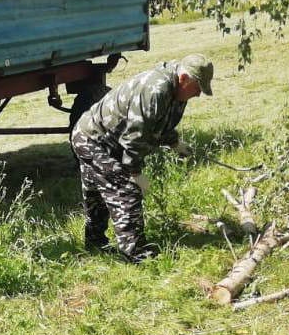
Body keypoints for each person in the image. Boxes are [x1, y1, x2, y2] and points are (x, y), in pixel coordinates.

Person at [70, 53, 214, 262]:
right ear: (183, 79)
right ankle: (135, 253)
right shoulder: (155, 91)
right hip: (92, 139)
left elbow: (160, 122)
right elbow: (135, 138)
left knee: (99, 192)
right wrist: (136, 174)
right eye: (197, 88)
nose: (198, 94)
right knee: (125, 190)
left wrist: (174, 143)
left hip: (104, 139)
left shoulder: (176, 89)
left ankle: (95, 244)